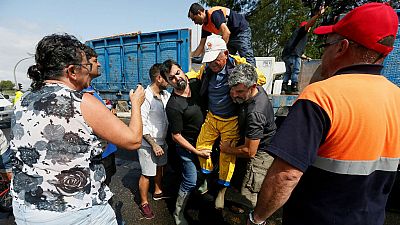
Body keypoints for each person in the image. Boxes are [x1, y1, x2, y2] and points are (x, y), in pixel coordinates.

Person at [250, 3, 400, 225]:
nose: (324, 53)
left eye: (325, 45)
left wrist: (257, 218)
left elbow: (287, 175)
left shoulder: (320, 96)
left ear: (342, 47)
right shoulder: (396, 96)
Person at [9, 33, 145, 225]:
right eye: (87, 66)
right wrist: (136, 104)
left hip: (26, 209)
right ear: (72, 71)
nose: (90, 71)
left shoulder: (24, 99)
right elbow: (132, 140)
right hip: (76, 212)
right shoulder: (81, 101)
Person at [189, 36, 265, 210]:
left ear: (226, 53)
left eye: (215, 60)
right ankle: (207, 178)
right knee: (202, 146)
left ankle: (222, 191)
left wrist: (242, 64)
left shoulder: (236, 66)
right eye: (209, 61)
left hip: (230, 120)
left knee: (226, 156)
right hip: (212, 117)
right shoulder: (207, 69)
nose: (212, 64)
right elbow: (196, 75)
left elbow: (259, 79)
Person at [161, 59, 210, 225]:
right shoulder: (173, 105)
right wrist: (196, 152)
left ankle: (202, 182)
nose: (176, 78)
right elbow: (176, 136)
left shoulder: (196, 84)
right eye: (171, 78)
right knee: (189, 180)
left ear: (182, 71)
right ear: (168, 83)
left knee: (205, 170)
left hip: (204, 142)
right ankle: (178, 213)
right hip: (187, 147)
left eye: (177, 73)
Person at [219, 64, 276, 209]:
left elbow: (250, 151)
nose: (234, 94)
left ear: (253, 86)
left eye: (239, 91)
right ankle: (241, 206)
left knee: (250, 194)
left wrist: (226, 149)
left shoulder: (255, 113)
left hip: (261, 154)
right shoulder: (256, 91)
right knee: (241, 179)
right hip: (252, 144)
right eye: (232, 89)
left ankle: (253, 216)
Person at [137, 63, 170, 220]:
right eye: (166, 78)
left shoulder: (165, 95)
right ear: (159, 78)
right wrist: (154, 144)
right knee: (146, 174)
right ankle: (144, 202)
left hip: (162, 141)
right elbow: (140, 123)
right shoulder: (145, 96)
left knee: (159, 168)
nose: (169, 80)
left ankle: (158, 192)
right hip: (147, 143)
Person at [82, 46, 118, 187]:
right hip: (99, 155)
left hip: (107, 151)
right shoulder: (82, 95)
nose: (99, 64)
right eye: (95, 61)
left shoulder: (92, 91)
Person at [188, 3, 256, 66]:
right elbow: (201, 46)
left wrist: (219, 51)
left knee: (247, 58)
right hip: (229, 37)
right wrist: (190, 59)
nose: (195, 23)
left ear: (200, 13)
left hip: (240, 31)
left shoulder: (214, 14)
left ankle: (256, 78)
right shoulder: (205, 27)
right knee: (225, 62)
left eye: (194, 19)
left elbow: (226, 32)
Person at [281, 6, 325, 94]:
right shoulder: (302, 31)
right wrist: (318, 15)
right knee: (296, 71)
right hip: (293, 55)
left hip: (286, 55)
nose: (309, 29)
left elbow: (297, 50)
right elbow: (309, 24)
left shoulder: (296, 35)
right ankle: (294, 87)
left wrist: (305, 57)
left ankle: (284, 88)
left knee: (288, 72)